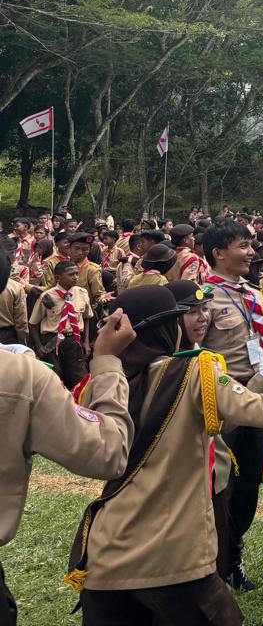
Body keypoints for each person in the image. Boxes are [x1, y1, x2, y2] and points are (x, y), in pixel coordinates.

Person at [67, 285, 263, 625]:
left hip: (108, 554)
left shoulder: (99, 383)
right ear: (170, 329)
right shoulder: (195, 373)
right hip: (175, 556)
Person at [1, 240, 137, 625]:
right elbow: (108, 453)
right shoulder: (19, 376)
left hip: (73, 344)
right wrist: (107, 363)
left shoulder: (78, 297)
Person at [199, 218, 263, 592]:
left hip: (258, 397)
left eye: (251, 245)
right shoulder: (204, 298)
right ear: (219, 253)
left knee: (249, 482)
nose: (251, 253)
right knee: (219, 487)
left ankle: (233, 558)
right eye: (243, 246)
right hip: (224, 402)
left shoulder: (253, 293)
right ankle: (212, 564)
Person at [29, 259, 94, 388]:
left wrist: (86, 342)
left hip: (74, 340)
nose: (75, 277)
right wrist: (39, 345)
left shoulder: (82, 293)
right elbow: (33, 323)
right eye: (71, 274)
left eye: (77, 273)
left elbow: (86, 318)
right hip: (52, 342)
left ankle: (77, 400)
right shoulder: (47, 297)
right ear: (58, 278)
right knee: (55, 378)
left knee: (79, 379)